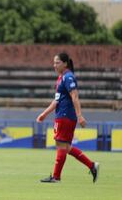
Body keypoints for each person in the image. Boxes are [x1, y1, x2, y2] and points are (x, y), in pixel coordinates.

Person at [36, 52, 99, 183]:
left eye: (57, 62)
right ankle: (92, 166)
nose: (54, 65)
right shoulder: (61, 78)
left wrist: (80, 115)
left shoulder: (68, 77)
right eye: (53, 63)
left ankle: (56, 177)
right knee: (66, 147)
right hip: (62, 115)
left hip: (65, 116)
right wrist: (44, 113)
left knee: (60, 145)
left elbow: (75, 97)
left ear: (65, 63)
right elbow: (56, 101)